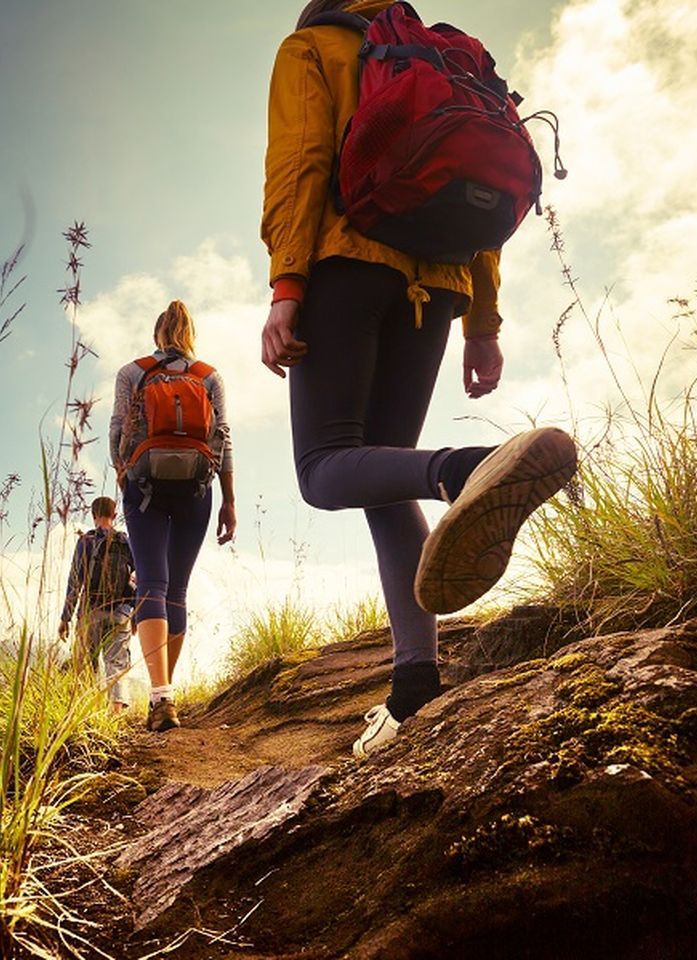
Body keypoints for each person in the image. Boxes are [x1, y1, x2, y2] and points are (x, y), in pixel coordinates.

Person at [260, 0, 577, 758]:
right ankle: (414, 689)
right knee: (382, 479)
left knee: (324, 468)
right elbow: (486, 206)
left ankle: (466, 471)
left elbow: (300, 162)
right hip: (440, 284)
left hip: (347, 265)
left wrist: (286, 287)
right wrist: (483, 324)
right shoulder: (446, 57)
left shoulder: (314, 47)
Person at [111, 300, 236, 733]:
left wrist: (125, 478)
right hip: (197, 491)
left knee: (151, 584)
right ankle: (165, 693)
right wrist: (229, 500)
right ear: (190, 334)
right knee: (177, 591)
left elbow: (116, 432)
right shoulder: (209, 377)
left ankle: (160, 693)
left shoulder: (133, 372)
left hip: (143, 488)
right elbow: (224, 440)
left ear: (157, 334)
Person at [59, 496, 136, 714]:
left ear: (93, 516)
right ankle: (115, 714)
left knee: (85, 661)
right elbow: (138, 577)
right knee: (117, 662)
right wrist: (136, 615)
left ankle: (86, 713)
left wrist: (65, 617)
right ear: (114, 515)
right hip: (121, 612)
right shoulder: (127, 541)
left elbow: (75, 581)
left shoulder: (86, 541)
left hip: (90, 611)